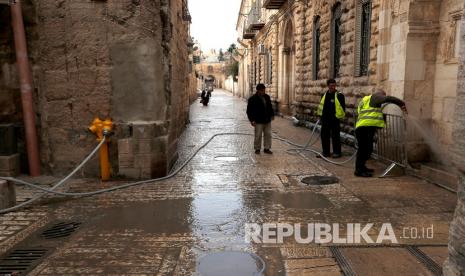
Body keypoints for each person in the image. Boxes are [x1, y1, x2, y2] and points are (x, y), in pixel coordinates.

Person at [354, 89, 407, 177]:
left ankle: (362, 167)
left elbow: (368, 113)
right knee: (363, 150)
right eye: (383, 96)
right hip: (364, 128)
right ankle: (359, 171)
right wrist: (401, 104)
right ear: (380, 95)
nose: (382, 99)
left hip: (365, 128)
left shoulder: (366, 99)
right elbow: (389, 98)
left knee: (367, 149)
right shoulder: (375, 97)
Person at [317, 79, 346, 158]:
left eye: (334, 85)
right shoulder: (324, 95)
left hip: (335, 120)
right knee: (324, 136)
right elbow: (321, 106)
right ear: (328, 86)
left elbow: (343, 108)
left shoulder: (339, 95)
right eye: (331, 86)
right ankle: (325, 152)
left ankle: (337, 152)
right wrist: (320, 116)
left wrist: (338, 116)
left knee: (335, 136)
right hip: (325, 119)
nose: (332, 87)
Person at [247, 83, 275, 154]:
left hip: (267, 120)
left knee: (268, 134)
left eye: (264, 90)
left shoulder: (267, 97)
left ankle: (267, 148)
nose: (263, 92)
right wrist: (251, 120)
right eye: (262, 90)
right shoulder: (252, 99)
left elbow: (270, 107)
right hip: (258, 120)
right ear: (258, 90)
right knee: (258, 135)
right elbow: (249, 111)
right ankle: (257, 148)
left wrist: (272, 115)